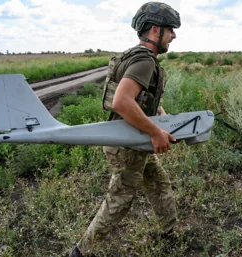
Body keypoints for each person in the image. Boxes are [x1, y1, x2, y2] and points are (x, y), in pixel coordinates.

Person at [68, 2, 181, 257]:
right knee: (120, 199)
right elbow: (122, 102)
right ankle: (81, 252)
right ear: (155, 30)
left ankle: (169, 232)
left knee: (158, 182)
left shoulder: (135, 56)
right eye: (170, 29)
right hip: (128, 145)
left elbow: (141, 98)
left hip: (132, 138)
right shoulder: (145, 62)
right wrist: (154, 132)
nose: (173, 35)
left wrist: (159, 117)